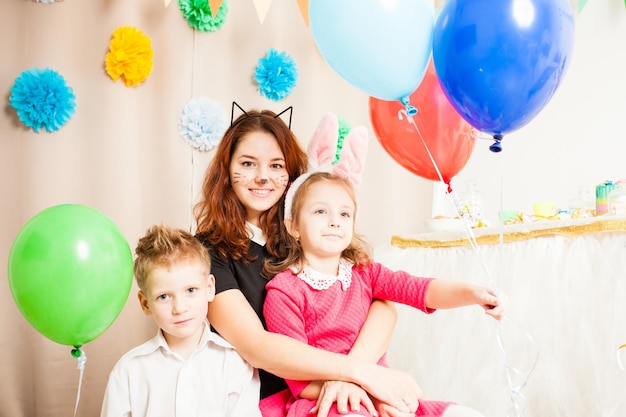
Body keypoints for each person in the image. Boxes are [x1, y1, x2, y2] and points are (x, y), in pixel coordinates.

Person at [261, 113, 507, 417]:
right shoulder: (283, 291)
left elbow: (420, 290)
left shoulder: (365, 273)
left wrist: (472, 293)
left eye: (344, 214)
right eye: (320, 212)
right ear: (293, 226)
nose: (334, 222)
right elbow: (298, 377)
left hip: (379, 394)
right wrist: (356, 385)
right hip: (324, 401)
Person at [194, 104, 422, 417]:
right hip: (263, 400)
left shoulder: (311, 229)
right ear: (226, 170)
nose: (262, 177)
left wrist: (353, 378)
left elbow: (382, 305)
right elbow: (256, 346)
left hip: (345, 390)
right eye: (247, 163)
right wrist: (358, 374)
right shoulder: (208, 252)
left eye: (276, 165)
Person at [100, 225, 262, 417]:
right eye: (164, 297)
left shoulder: (234, 362)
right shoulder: (128, 371)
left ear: (210, 288)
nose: (180, 308)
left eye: (191, 291)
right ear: (145, 303)